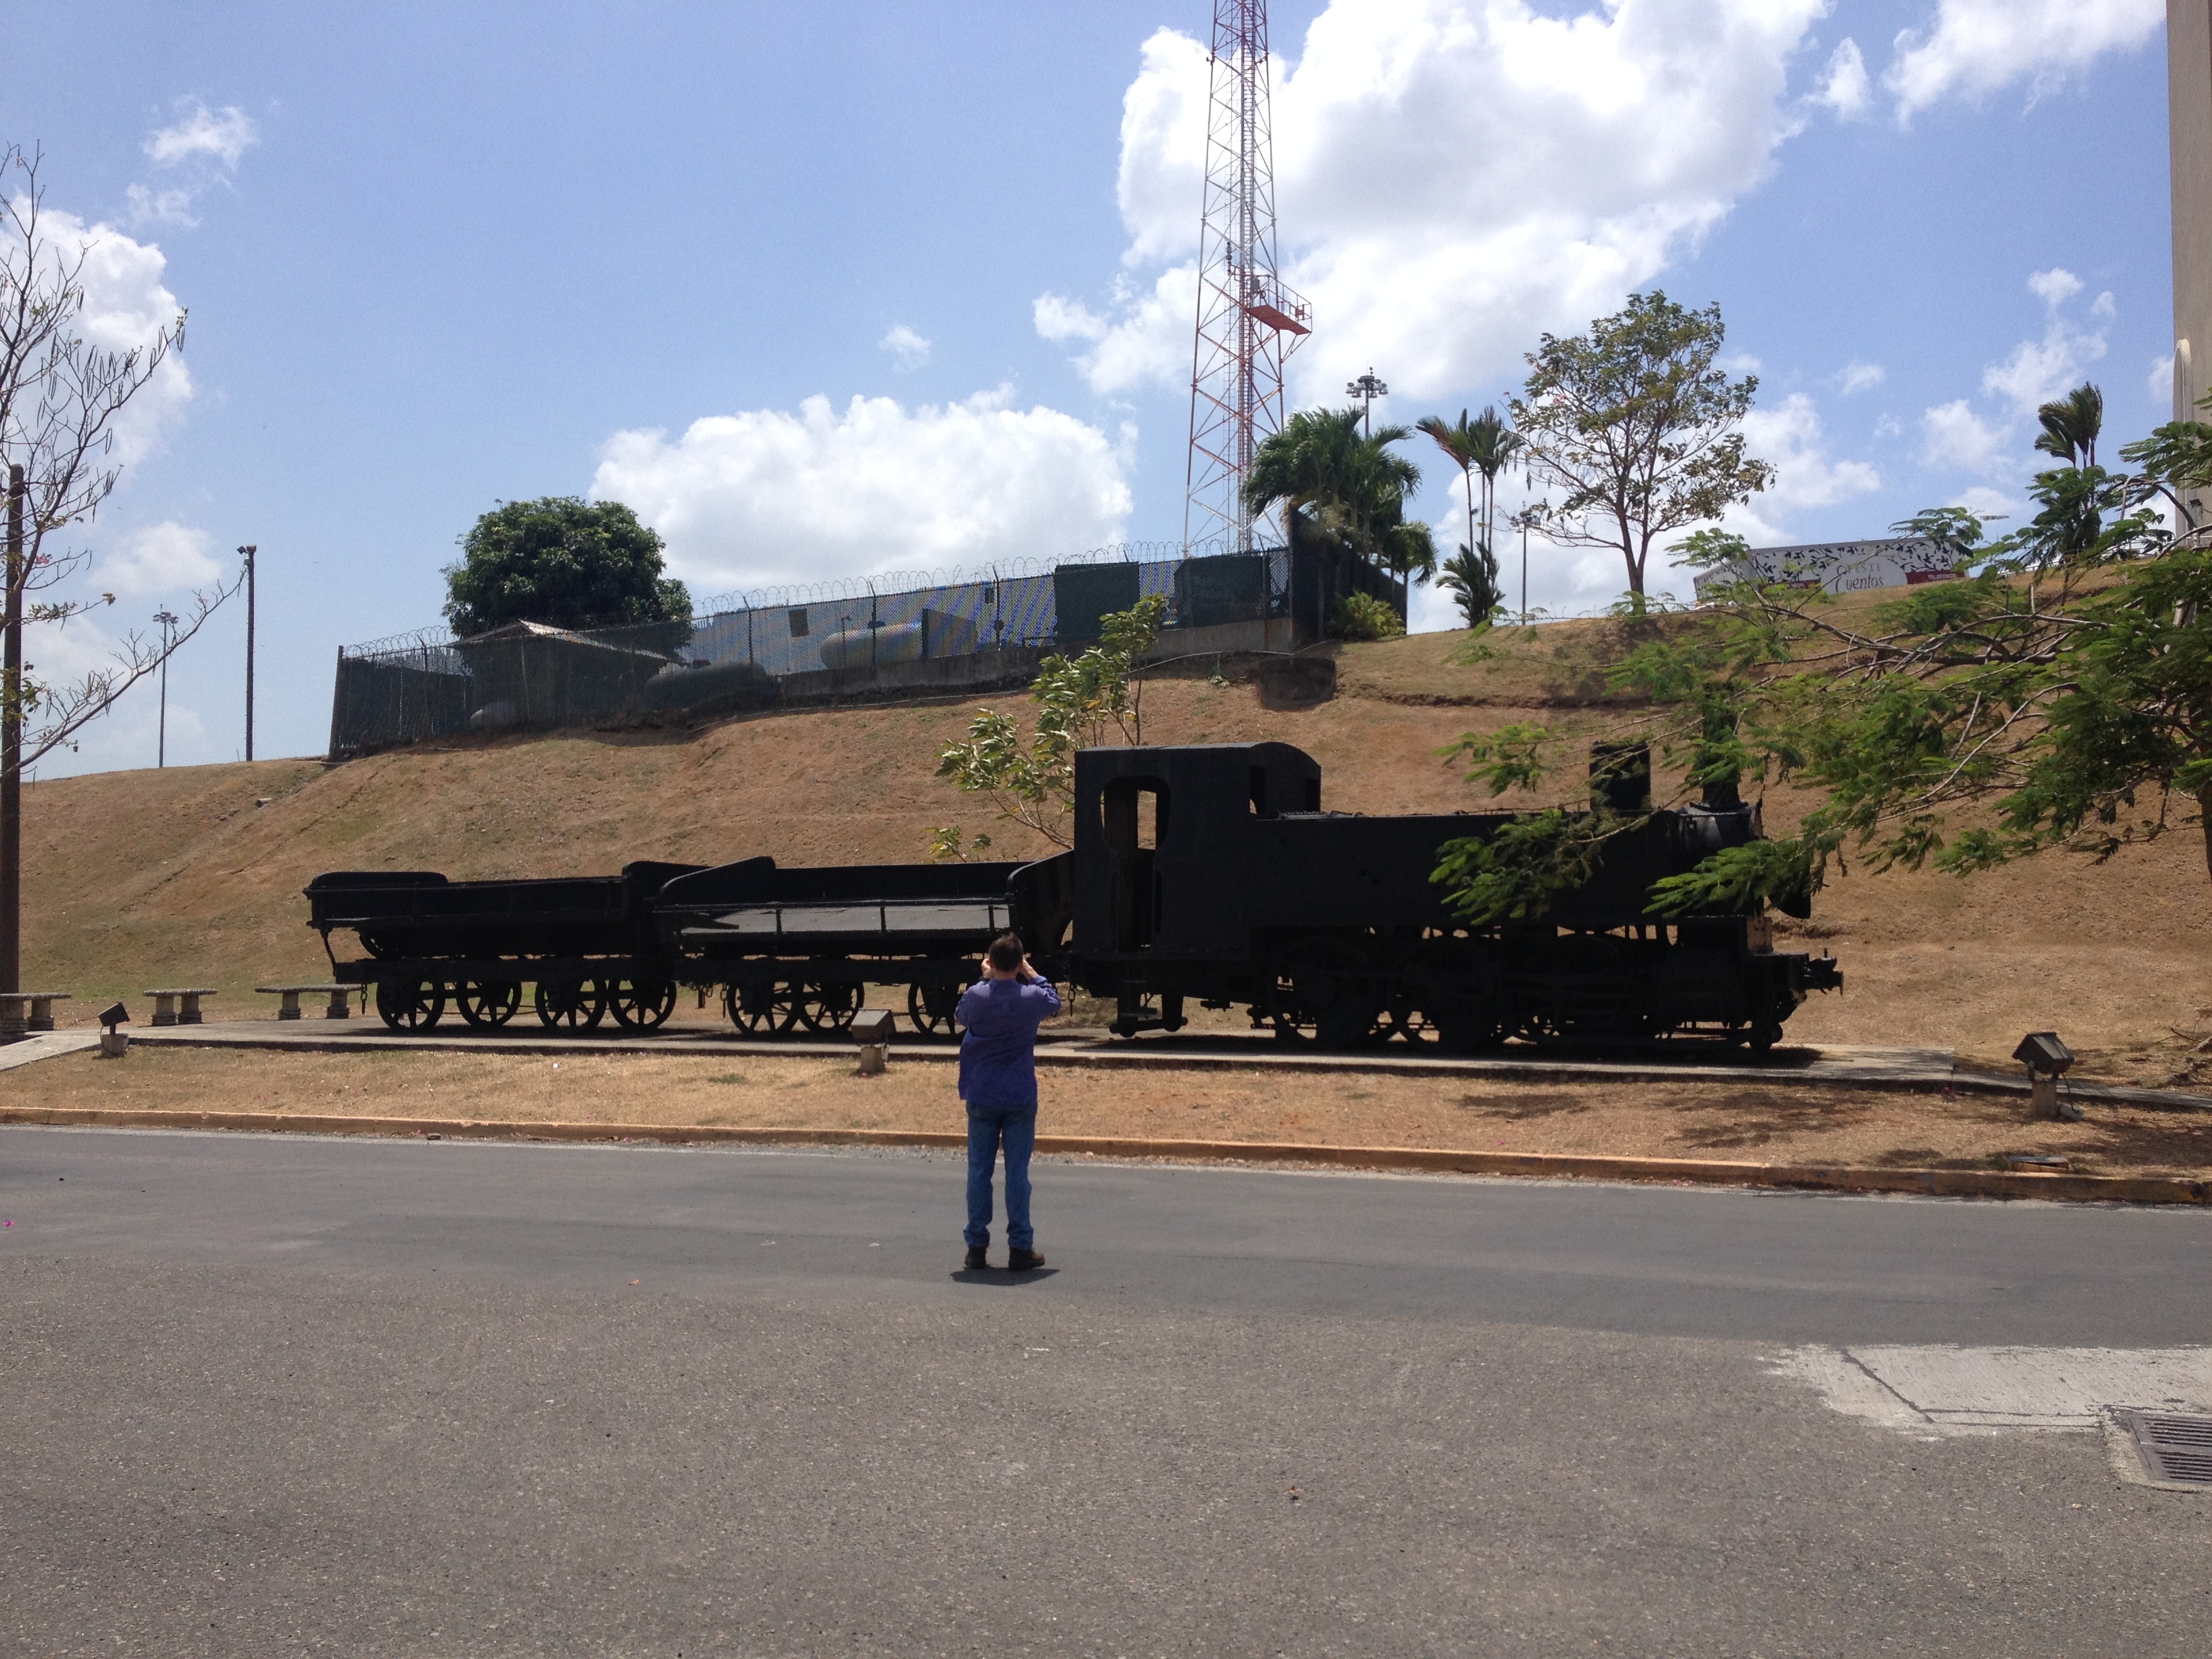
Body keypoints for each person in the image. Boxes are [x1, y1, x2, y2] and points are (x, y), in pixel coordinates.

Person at [956, 933, 1060, 1271]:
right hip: (1018, 1092)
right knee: (1018, 1173)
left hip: (982, 1091)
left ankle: (976, 1247)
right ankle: (1020, 1246)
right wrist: (1030, 972)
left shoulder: (976, 996)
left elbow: (961, 1015)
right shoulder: (1030, 998)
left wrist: (985, 980)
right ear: (1017, 963)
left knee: (978, 1172)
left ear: (990, 960)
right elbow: (1053, 1001)